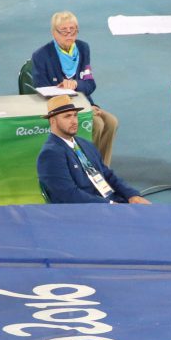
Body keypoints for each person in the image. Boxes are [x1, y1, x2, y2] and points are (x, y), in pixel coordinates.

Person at [31, 11, 119, 166]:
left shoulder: (83, 48)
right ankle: (87, 167)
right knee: (97, 125)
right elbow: (42, 90)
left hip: (85, 102)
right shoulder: (41, 55)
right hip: (60, 108)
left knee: (111, 122)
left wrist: (76, 85)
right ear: (54, 33)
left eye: (73, 30)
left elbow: (90, 84)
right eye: (64, 31)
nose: (69, 35)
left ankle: (102, 168)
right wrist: (79, 106)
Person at [37, 95, 149, 204]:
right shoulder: (50, 154)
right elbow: (69, 195)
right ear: (52, 121)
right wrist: (109, 204)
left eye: (75, 115)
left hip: (110, 200)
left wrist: (132, 195)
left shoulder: (85, 144)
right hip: (89, 211)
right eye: (67, 116)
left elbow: (107, 174)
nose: (74, 121)